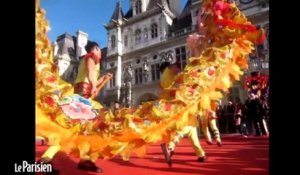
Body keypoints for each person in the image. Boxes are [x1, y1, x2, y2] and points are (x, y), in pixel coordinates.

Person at [159, 62, 207, 167]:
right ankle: (171, 146)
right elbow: (179, 76)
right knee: (187, 127)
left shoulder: (162, 79)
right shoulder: (170, 70)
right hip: (181, 105)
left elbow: (165, 93)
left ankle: (201, 155)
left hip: (173, 107)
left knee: (192, 130)